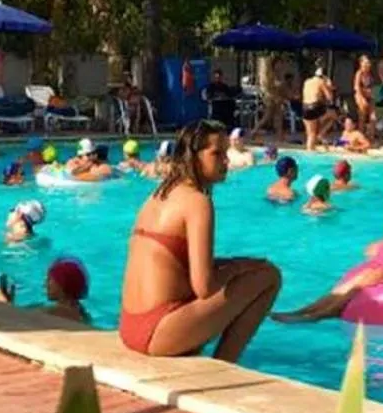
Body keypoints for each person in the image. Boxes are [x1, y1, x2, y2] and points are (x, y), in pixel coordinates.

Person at [117, 120, 282, 358]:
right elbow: (204, 287)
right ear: (193, 156)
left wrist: (235, 265)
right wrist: (242, 267)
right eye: (217, 154)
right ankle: (225, 364)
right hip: (158, 333)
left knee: (240, 270)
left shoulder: (158, 195)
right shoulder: (197, 202)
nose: (226, 161)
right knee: (268, 276)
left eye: (226, 153)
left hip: (130, 327)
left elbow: (177, 264)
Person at [0, 256, 91, 323]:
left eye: (49, 280)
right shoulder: (81, 311)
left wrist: (3, 306)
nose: (45, 285)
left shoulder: (56, 311)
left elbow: (16, 320)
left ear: (62, 285)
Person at [301, 65, 339, 151]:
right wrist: (329, 87)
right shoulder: (321, 82)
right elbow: (330, 98)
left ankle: (310, 150)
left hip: (304, 107)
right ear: (324, 77)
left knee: (310, 134)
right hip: (315, 106)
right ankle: (321, 133)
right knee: (333, 115)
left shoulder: (307, 81)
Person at [352, 54, 376, 135]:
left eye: (368, 63)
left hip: (369, 96)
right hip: (360, 96)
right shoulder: (359, 73)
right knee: (362, 118)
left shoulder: (370, 74)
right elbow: (356, 87)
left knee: (373, 117)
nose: (368, 64)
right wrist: (361, 98)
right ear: (361, 63)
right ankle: (361, 135)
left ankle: (371, 137)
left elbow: (372, 86)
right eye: (366, 63)